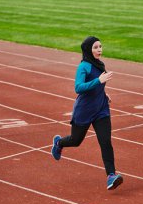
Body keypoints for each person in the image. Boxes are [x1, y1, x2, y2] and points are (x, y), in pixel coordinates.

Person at [51, 36, 123, 190]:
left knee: (105, 142)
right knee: (76, 140)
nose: (100, 50)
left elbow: (99, 85)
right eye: (96, 47)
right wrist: (99, 81)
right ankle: (59, 143)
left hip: (101, 109)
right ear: (88, 50)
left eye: (101, 46)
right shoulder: (83, 66)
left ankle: (111, 176)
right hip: (84, 110)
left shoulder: (100, 64)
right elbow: (78, 87)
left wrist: (104, 93)